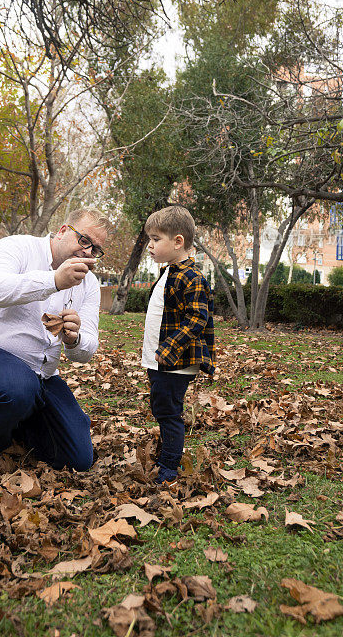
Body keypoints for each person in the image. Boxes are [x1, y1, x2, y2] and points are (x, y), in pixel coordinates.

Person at [0, 208, 111, 471]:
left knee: (78, 460)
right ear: (62, 231)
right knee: (17, 388)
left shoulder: (89, 284)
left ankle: (18, 424)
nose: (87, 252)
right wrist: (54, 281)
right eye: (84, 241)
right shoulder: (17, 246)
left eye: (95, 249)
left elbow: (86, 351)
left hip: (42, 377)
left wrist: (74, 339)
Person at [141, 205, 215, 485]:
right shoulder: (169, 273)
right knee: (161, 407)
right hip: (160, 360)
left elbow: (197, 320)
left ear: (178, 241)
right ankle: (167, 455)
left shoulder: (191, 277)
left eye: (156, 239)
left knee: (169, 411)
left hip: (175, 361)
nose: (150, 245)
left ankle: (170, 467)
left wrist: (168, 350)